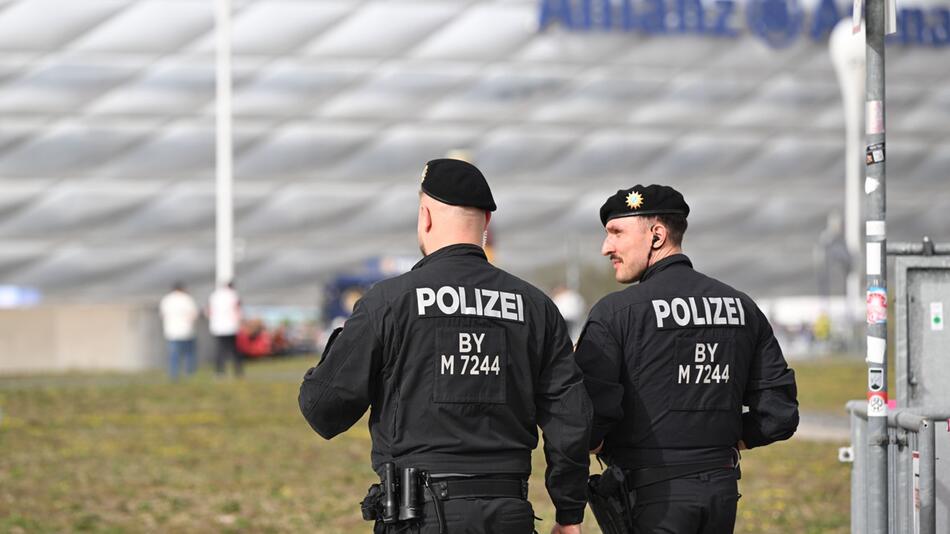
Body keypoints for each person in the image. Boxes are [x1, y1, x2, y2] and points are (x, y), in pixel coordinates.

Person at [299, 159, 592, 534]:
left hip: (420, 515)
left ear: (425, 216)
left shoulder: (389, 302)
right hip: (509, 514)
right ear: (486, 224)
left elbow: (322, 410)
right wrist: (569, 514)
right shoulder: (536, 308)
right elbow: (570, 420)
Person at [574, 185, 799, 534]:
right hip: (721, 493)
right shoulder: (741, 307)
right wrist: (721, 442)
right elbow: (779, 413)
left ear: (657, 235)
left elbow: (585, 420)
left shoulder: (616, 313)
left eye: (616, 233)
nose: (607, 247)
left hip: (651, 498)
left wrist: (594, 441)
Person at [159, 281, 199, 380]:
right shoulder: (187, 299)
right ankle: (189, 374)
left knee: (174, 355)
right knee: (189, 354)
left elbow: (162, 315)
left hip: (171, 331)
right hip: (186, 331)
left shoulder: (167, 299)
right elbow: (193, 314)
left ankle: (174, 374)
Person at [208, 280, 242, 377]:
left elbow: (210, 311)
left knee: (219, 350)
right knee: (234, 350)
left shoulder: (214, 295)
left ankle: (219, 372)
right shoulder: (233, 294)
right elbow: (237, 309)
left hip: (217, 327)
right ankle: (238, 372)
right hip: (230, 326)